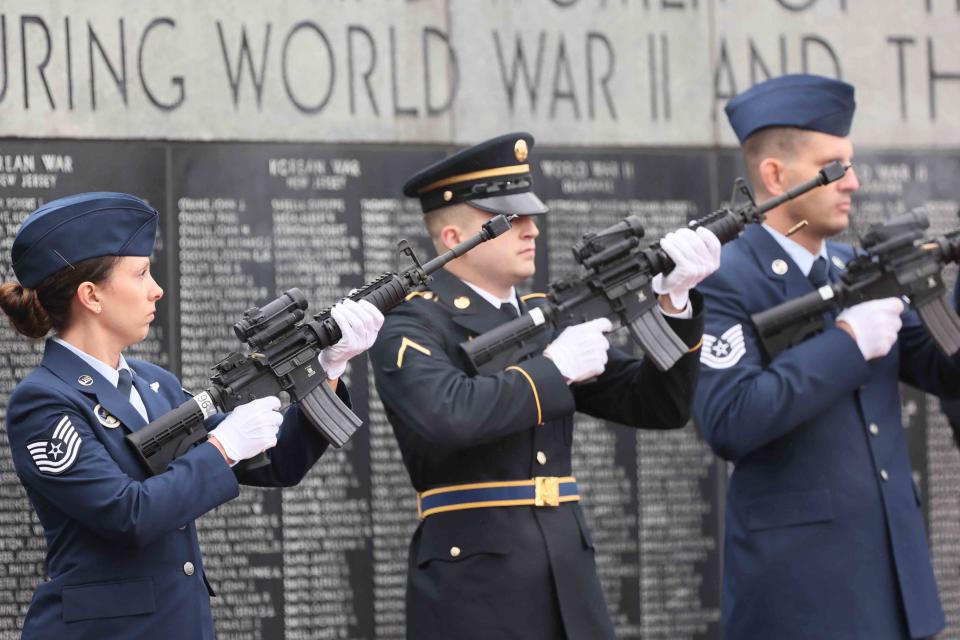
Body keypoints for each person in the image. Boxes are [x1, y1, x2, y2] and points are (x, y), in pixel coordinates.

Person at [368, 132, 721, 639]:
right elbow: (445, 415)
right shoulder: (412, 324)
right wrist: (553, 370)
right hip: (477, 588)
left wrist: (677, 304)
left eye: (530, 215)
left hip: (568, 576)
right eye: (511, 220)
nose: (532, 229)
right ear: (453, 238)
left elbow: (659, 405)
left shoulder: (544, 317)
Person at [0, 192, 383, 639]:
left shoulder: (153, 383)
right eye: (141, 273)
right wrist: (222, 448)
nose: (156, 288)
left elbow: (280, 464)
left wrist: (327, 368)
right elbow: (127, 515)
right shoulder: (45, 400)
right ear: (92, 296)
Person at [693, 74, 960, 639]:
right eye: (835, 166)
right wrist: (844, 344)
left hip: (895, 587)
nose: (854, 182)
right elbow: (728, 419)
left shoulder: (850, 268)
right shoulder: (726, 278)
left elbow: (946, 367)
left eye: (852, 164)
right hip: (803, 597)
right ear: (775, 175)